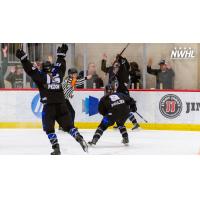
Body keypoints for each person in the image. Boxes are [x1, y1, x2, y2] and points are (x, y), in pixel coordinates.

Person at [16, 44, 88, 155]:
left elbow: (31, 70)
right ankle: (78, 136)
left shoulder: (41, 76)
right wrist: (61, 56)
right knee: (69, 126)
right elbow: (60, 66)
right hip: (62, 104)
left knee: (49, 129)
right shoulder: (57, 74)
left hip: (49, 106)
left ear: (43, 69)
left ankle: (56, 148)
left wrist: (24, 59)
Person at [101, 53, 139, 130]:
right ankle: (119, 123)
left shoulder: (123, 70)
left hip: (123, 92)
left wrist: (121, 58)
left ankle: (135, 123)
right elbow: (103, 68)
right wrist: (104, 60)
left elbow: (126, 65)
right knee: (117, 108)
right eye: (114, 64)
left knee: (124, 108)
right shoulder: (112, 69)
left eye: (117, 64)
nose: (115, 66)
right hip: (117, 93)